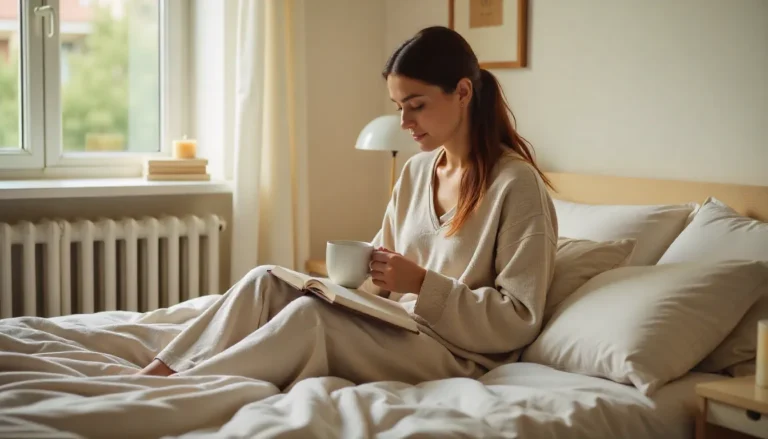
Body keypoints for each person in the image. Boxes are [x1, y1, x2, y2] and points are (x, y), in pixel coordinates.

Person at [138, 26, 558, 390]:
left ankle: (191, 385)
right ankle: (158, 373)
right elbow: (381, 271)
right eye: (399, 107)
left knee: (310, 320)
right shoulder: (415, 171)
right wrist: (343, 280)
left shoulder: (516, 185)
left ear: (462, 91)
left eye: (417, 104)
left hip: (456, 352)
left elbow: (518, 318)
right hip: (398, 324)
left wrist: (420, 284)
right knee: (265, 280)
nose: (405, 121)